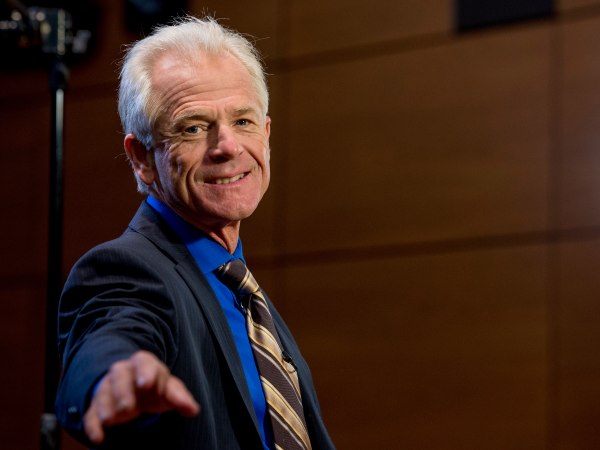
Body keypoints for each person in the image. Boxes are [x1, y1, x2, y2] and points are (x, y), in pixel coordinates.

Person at [54, 16, 335, 450]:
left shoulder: (242, 289)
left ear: (266, 134)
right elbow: (113, 335)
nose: (228, 146)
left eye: (243, 121)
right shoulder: (126, 270)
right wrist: (114, 374)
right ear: (141, 157)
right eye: (193, 127)